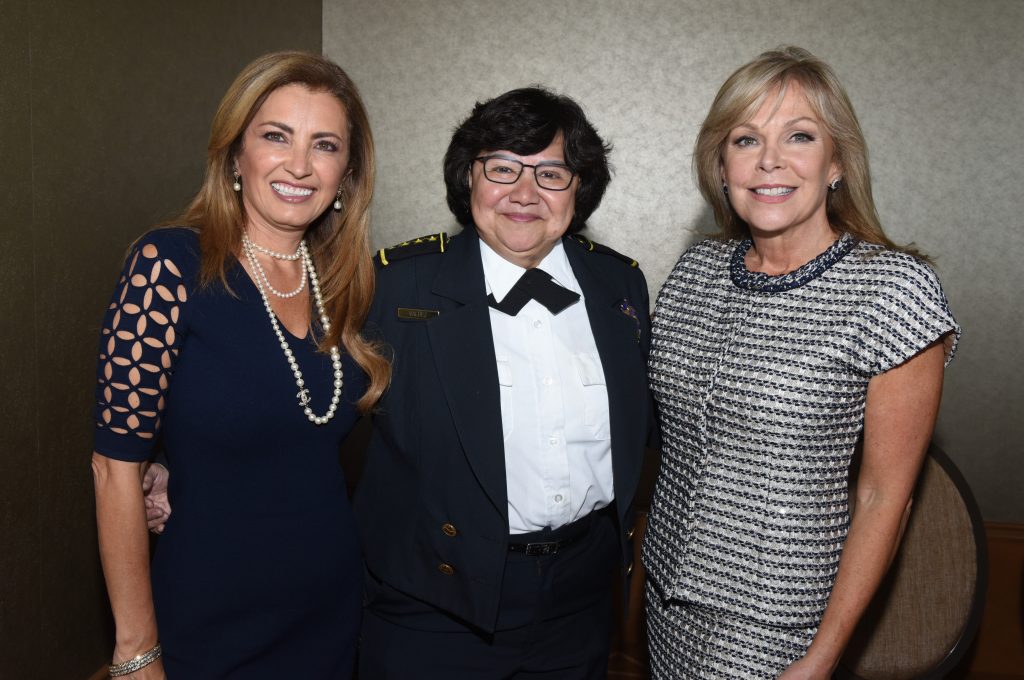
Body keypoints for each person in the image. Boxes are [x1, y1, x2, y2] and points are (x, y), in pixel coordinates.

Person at [643, 46, 961, 678]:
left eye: (799, 135)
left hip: (781, 621)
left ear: (836, 161)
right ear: (722, 163)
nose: (769, 161)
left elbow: (881, 498)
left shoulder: (894, 291)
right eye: (745, 139)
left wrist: (821, 658)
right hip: (664, 602)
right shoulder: (695, 270)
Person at [90, 51, 388, 679]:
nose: (300, 165)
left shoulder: (346, 282)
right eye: (276, 136)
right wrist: (137, 653)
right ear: (234, 155)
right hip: (209, 617)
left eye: (325, 144)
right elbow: (115, 471)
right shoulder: (168, 266)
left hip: (330, 612)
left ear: (347, 172)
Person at [356, 87, 655, 678]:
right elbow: (301, 407)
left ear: (580, 189)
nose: (524, 194)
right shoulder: (395, 289)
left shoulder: (621, 288)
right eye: (503, 168)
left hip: (581, 606)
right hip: (434, 607)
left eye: (551, 173)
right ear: (469, 179)